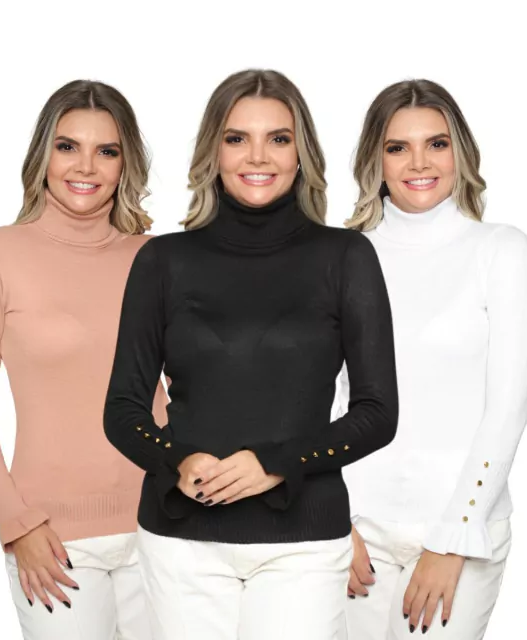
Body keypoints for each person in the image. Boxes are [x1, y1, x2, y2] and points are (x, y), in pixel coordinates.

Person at [104, 68, 399, 640]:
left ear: (300, 153)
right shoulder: (162, 261)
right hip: (181, 541)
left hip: (304, 543)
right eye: (237, 138)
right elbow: (122, 410)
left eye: (278, 138)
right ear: (213, 152)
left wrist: (277, 463)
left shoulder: (346, 257)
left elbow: (377, 413)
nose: (257, 156)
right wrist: (177, 459)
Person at [0, 79, 168, 640]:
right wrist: (16, 523)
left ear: (125, 164)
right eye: (68, 146)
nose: (85, 166)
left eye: (106, 150)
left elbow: (192, 389)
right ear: (43, 154)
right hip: (53, 540)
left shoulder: (154, 257)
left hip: (163, 527)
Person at [337, 79, 527, 639]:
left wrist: (454, 537)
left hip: (459, 529)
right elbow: (324, 398)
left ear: (460, 153)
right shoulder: (343, 255)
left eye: (436, 143)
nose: (419, 162)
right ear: (375, 160)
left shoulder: (500, 250)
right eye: (397, 147)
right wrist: (334, 519)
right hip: (355, 531)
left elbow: (507, 409)